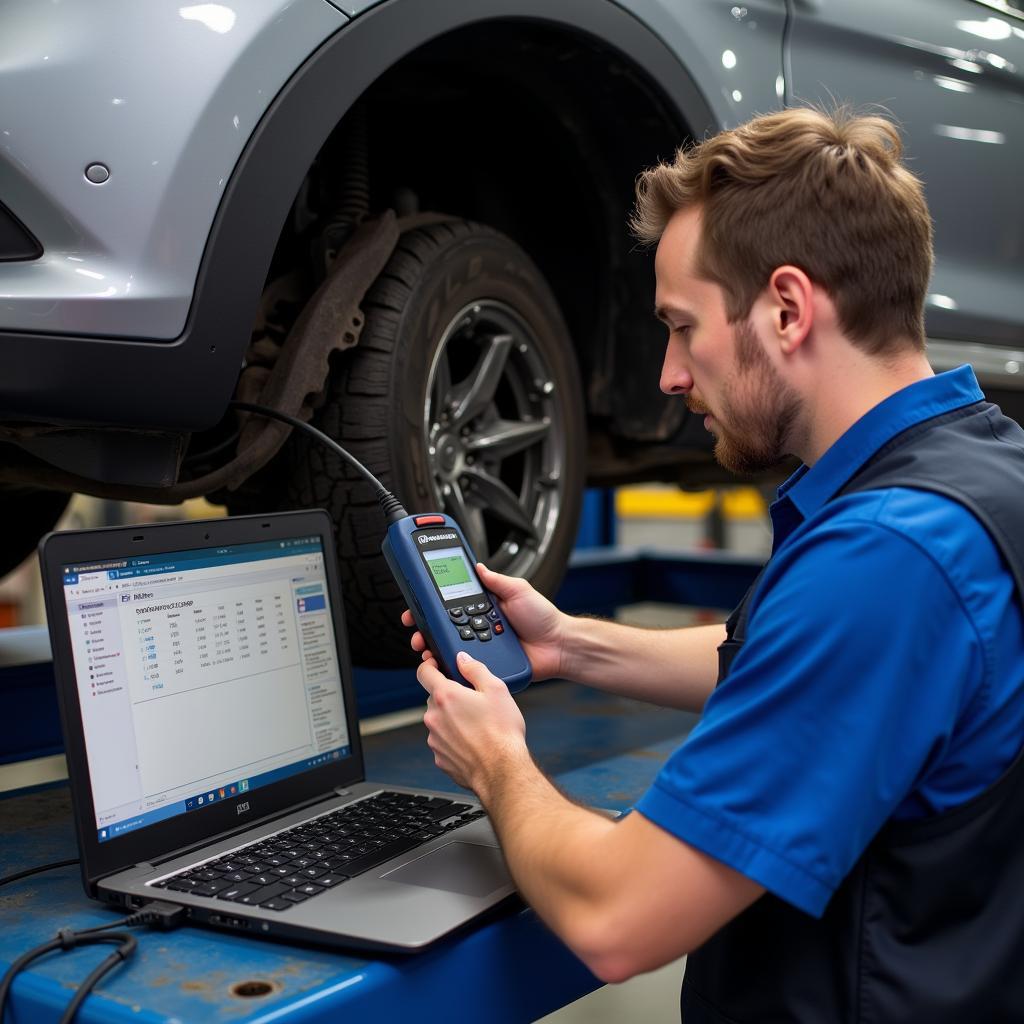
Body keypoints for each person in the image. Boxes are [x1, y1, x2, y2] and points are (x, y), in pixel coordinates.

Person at [402, 107, 1024, 1021]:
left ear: (786, 307)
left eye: (682, 326)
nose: (667, 374)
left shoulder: (887, 559)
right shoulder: (984, 469)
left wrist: (497, 763)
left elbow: (618, 920)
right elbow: (803, 663)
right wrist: (570, 645)